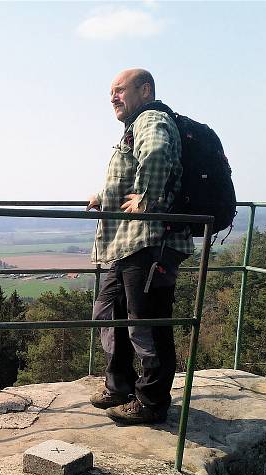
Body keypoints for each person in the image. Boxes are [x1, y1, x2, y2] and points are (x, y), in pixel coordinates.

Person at [86, 68, 194, 425]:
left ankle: (151, 401)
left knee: (146, 322)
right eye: (110, 92)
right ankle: (119, 385)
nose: (113, 97)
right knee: (108, 311)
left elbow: (159, 153)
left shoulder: (151, 119)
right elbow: (127, 175)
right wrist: (104, 196)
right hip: (127, 245)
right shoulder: (135, 127)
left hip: (151, 242)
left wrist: (148, 198)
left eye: (120, 90)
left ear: (144, 91)